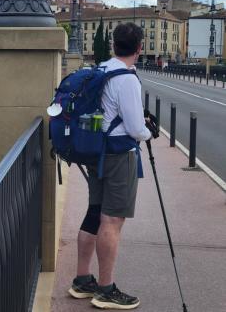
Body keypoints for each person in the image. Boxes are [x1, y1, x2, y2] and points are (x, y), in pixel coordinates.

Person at [68, 22, 157, 310]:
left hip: (96, 152)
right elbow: (133, 127)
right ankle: (106, 289)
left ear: (113, 44)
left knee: (95, 214)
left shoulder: (104, 69)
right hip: (118, 155)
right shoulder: (127, 78)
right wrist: (148, 132)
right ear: (140, 48)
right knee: (112, 221)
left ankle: (82, 281)